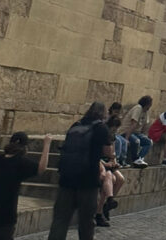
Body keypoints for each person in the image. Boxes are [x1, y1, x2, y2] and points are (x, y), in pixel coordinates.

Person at [47, 102, 112, 240]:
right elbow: (108, 152)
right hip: (87, 181)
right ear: (104, 113)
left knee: (60, 220)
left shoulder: (75, 126)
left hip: (66, 179)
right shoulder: (101, 128)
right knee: (86, 221)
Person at [0, 131, 51, 240]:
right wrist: (47, 145)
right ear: (25, 147)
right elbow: (41, 168)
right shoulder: (21, 163)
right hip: (7, 216)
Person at [121, 96, 152, 167]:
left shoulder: (145, 112)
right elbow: (133, 124)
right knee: (136, 141)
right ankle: (135, 159)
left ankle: (139, 159)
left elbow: (145, 126)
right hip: (126, 131)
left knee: (148, 142)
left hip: (136, 133)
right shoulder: (138, 108)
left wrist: (144, 136)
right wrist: (126, 138)